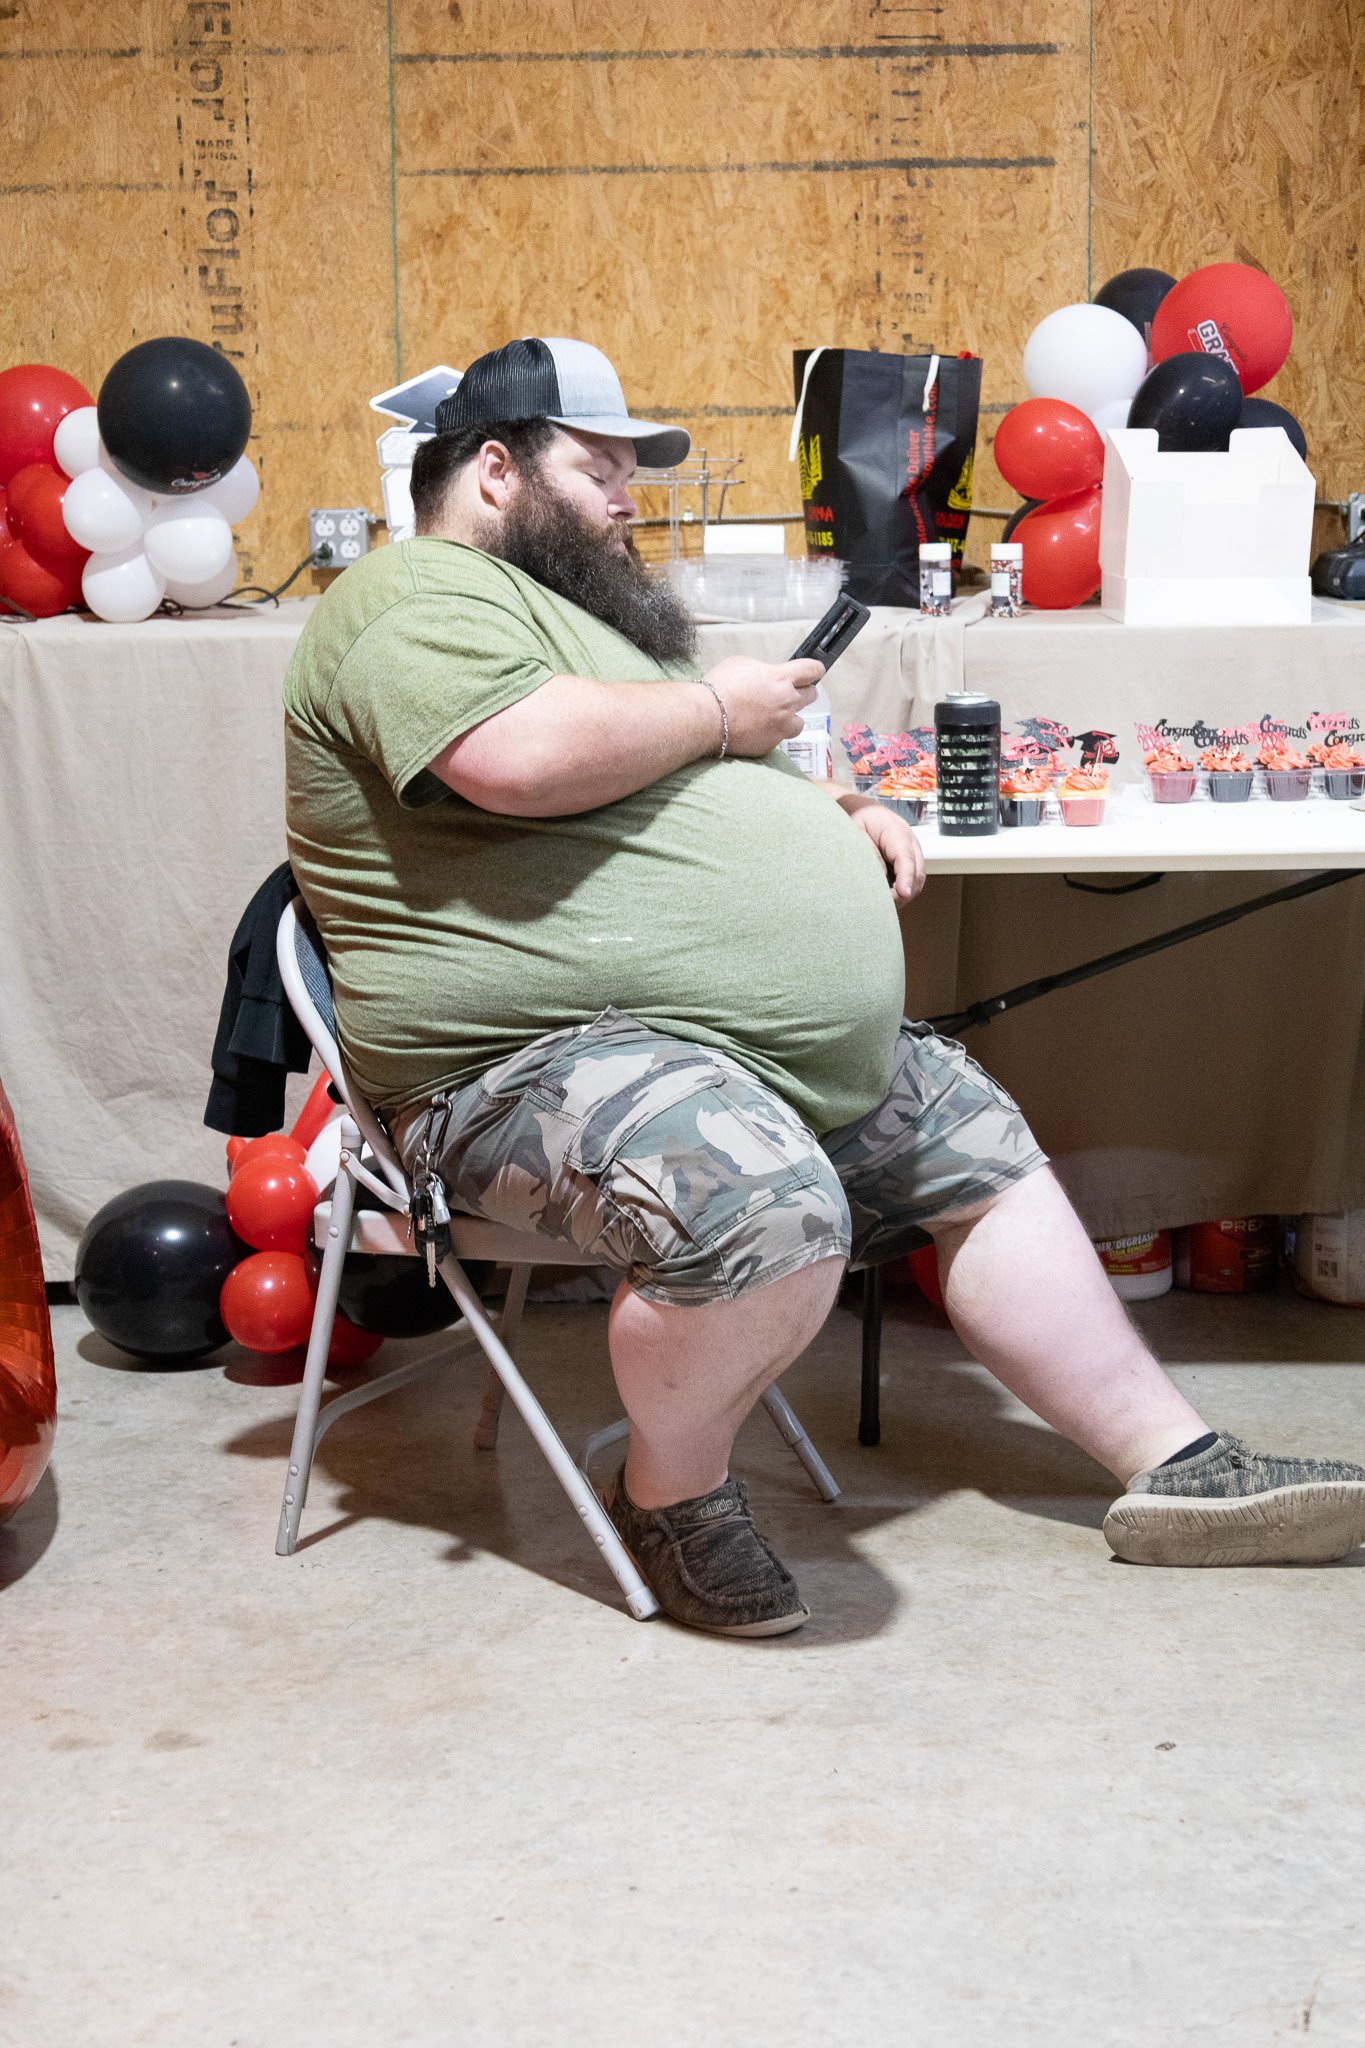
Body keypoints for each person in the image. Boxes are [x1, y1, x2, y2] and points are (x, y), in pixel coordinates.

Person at [282, 337, 1365, 1635]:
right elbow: (514, 759)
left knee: (970, 1136)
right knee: (763, 1205)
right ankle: (668, 1493)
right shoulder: (418, 596)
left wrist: (830, 812)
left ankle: (1173, 1464)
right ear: (496, 469)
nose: (629, 494)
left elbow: (659, 769)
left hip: (699, 1040)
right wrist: (718, 715)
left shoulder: (577, 623)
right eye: (601, 464)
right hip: (515, 1064)